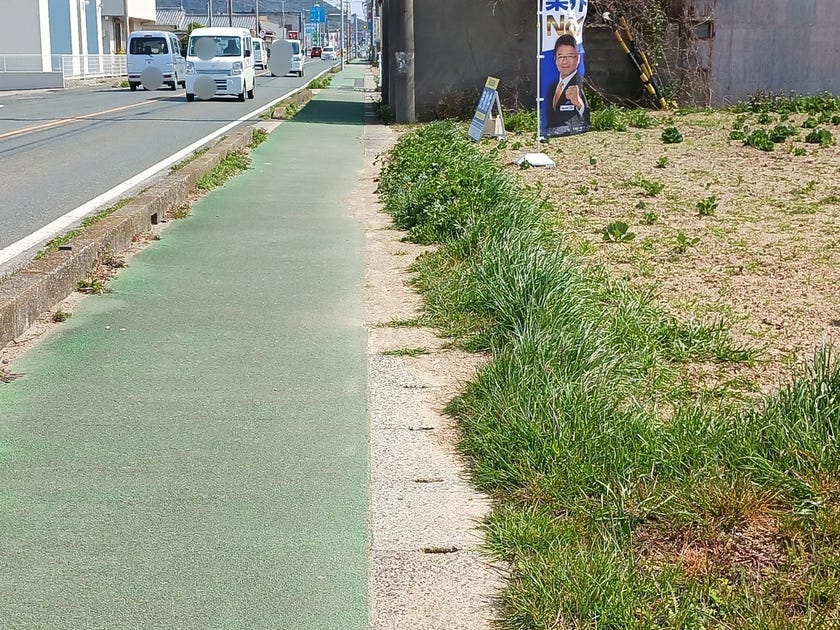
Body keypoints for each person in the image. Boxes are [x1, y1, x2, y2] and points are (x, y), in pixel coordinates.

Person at [544, 34, 590, 137]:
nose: (564, 61)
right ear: (555, 59)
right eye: (561, 56)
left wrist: (579, 103)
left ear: (577, 59)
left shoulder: (579, 83)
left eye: (569, 56)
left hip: (573, 135)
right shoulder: (551, 86)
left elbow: (587, 118)